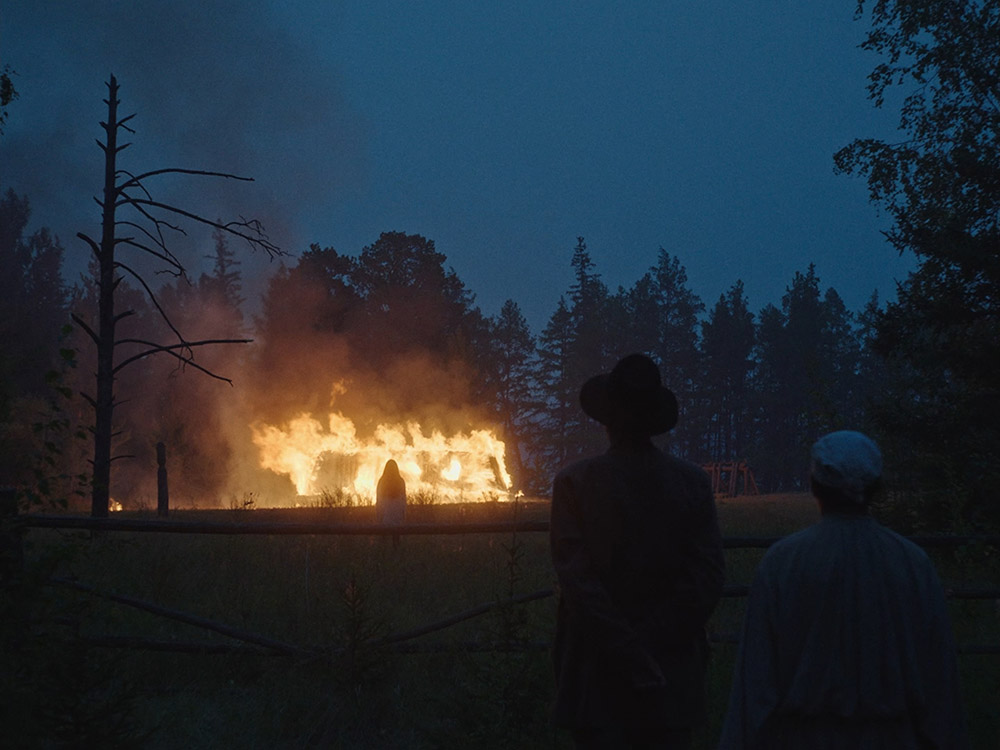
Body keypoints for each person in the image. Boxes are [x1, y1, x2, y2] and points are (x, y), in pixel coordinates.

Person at [719, 430, 969, 749]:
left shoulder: (783, 563)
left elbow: (755, 684)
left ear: (814, 486)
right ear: (877, 488)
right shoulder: (912, 564)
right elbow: (941, 683)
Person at [550, 353, 725, 749]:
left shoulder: (574, 484)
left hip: (598, 679)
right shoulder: (692, 484)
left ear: (607, 419)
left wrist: (627, 650)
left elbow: (579, 584)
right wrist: (650, 647)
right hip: (670, 679)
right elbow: (706, 580)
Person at [376, 459, 406, 547]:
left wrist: (379, 518)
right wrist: (402, 517)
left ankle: (384, 555)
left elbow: (379, 502)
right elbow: (403, 501)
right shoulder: (401, 482)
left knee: (383, 541)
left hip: (385, 518)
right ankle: (397, 554)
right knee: (396, 541)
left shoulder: (381, 482)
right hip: (398, 518)